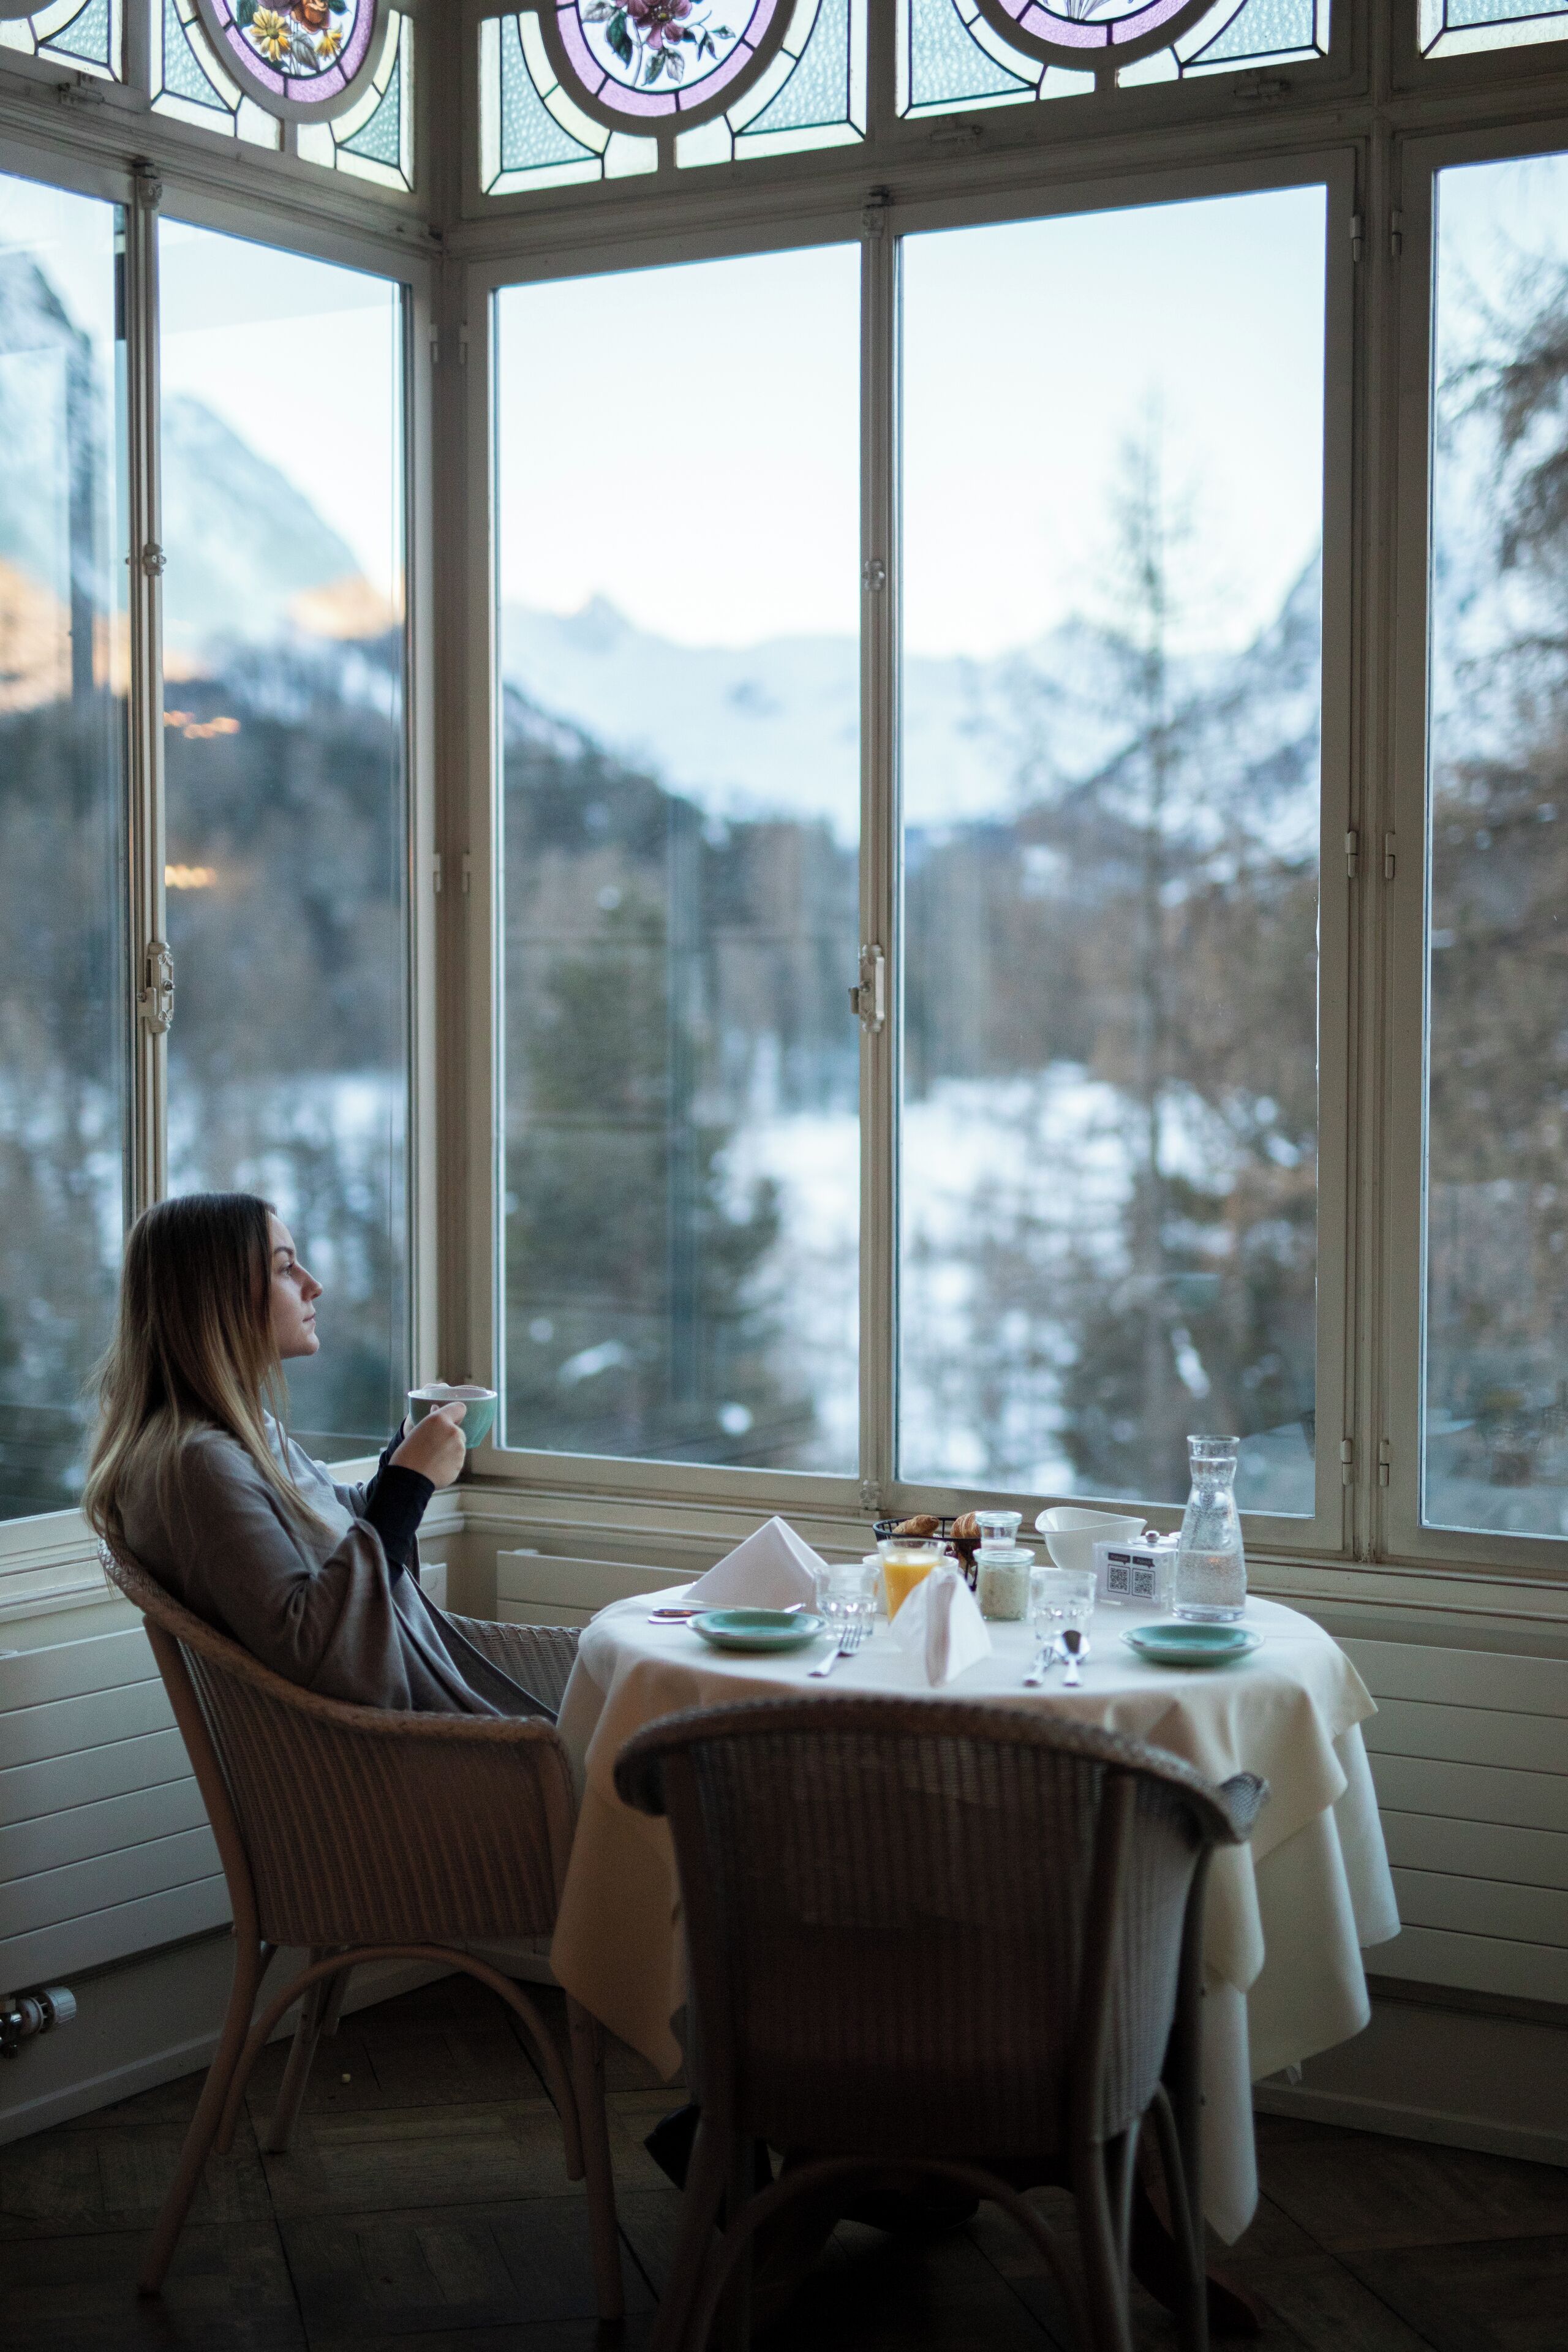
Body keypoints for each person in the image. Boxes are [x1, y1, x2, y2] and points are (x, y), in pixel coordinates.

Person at [85, 1191, 552, 1719]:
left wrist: (407, 1451)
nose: (314, 1284)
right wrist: (408, 1486)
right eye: (286, 1269)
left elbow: (330, 1524)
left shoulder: (237, 1432)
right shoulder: (197, 1465)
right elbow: (310, 1641)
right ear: (218, 1298)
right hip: (411, 1756)